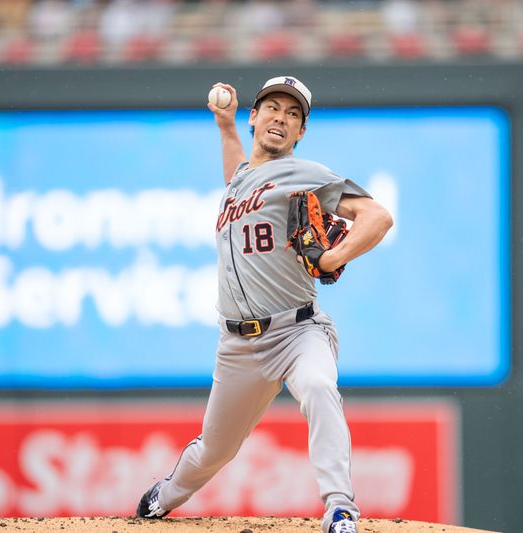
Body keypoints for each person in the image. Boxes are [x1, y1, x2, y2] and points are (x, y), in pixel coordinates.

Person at [136, 76, 393, 533]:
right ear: (255, 117)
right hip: (237, 346)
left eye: (294, 114)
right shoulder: (241, 180)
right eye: (274, 108)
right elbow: (239, 173)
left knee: (317, 386)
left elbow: (378, 216)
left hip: (298, 331)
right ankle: (164, 497)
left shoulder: (306, 174)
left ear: (300, 134)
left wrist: (334, 255)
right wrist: (224, 126)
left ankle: (340, 508)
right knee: (215, 449)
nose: (282, 117)